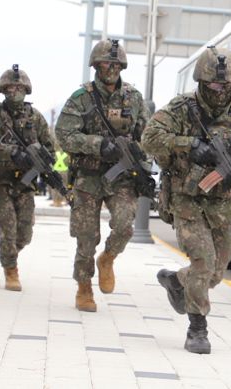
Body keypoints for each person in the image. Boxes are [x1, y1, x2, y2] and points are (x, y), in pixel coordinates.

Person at [142, 46, 231, 355]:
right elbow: (149, 137)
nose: (221, 90)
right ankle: (197, 327)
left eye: (226, 85)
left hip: (221, 203)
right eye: (214, 84)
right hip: (186, 198)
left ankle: (179, 282)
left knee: (219, 267)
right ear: (202, 82)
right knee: (203, 262)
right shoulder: (181, 109)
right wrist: (190, 145)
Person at [55, 39, 150, 312]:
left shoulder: (133, 97)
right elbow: (64, 134)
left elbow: (148, 135)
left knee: (124, 226)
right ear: (96, 65)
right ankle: (84, 287)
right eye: (106, 63)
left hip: (121, 177)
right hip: (89, 175)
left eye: (116, 63)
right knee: (86, 237)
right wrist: (98, 145)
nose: (111, 68)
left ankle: (107, 258)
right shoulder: (81, 97)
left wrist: (137, 150)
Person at [0, 65, 54, 291]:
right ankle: (11, 270)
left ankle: (8, 253)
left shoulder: (36, 118)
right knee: (8, 226)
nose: (15, 90)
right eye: (10, 87)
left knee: (25, 233)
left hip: (26, 183)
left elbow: (49, 146)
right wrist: (11, 152)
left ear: (26, 89)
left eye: (19, 87)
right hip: (0, 180)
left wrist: (42, 160)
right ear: (3, 89)